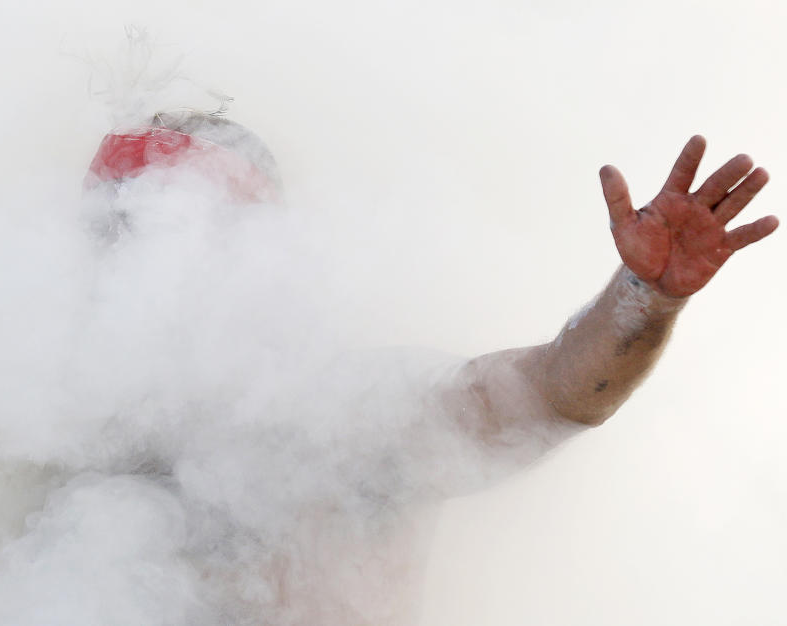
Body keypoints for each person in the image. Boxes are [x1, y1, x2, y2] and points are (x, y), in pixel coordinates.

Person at [84, 114, 778, 625]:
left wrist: (642, 298)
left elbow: (541, 397)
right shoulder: (72, 461)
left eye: (214, 242)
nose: (168, 277)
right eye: (122, 237)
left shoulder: (346, 417)